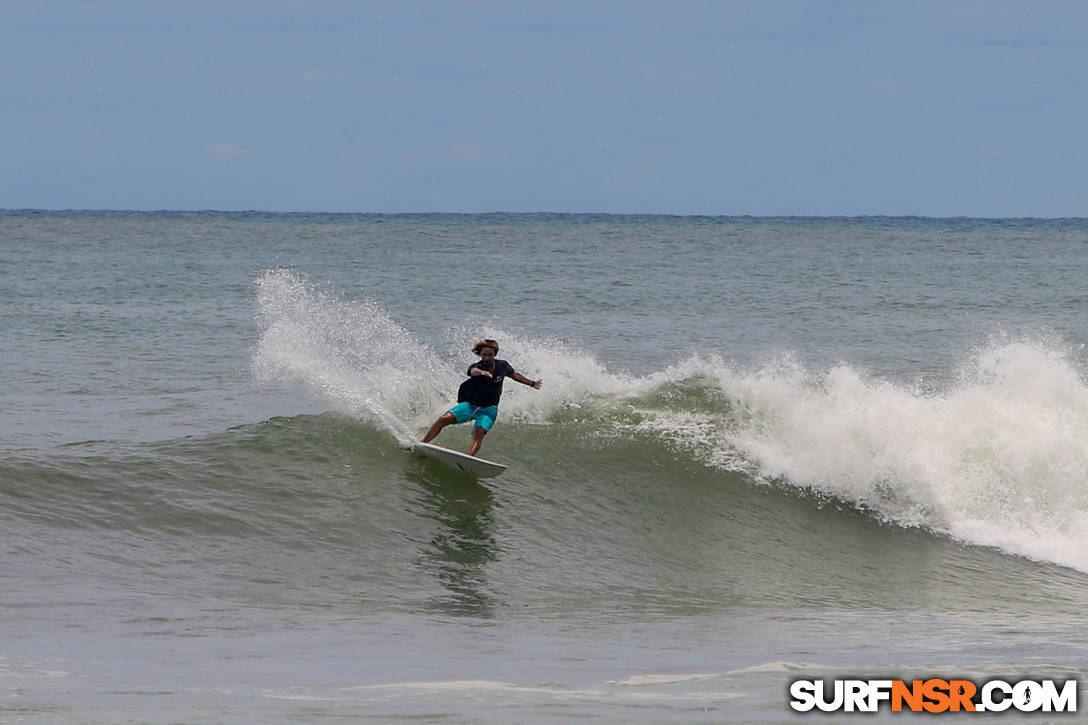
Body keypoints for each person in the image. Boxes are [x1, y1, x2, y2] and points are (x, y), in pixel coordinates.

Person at [422, 338, 542, 456]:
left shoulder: (502, 366)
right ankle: (423, 444)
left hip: (489, 410)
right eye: (484, 354)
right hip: (470, 406)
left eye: (490, 355)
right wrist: (481, 372)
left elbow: (515, 375)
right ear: (480, 354)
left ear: (495, 354)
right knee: (443, 419)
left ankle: (468, 458)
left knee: (480, 433)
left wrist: (532, 383)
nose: (487, 357)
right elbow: (473, 371)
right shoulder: (476, 366)